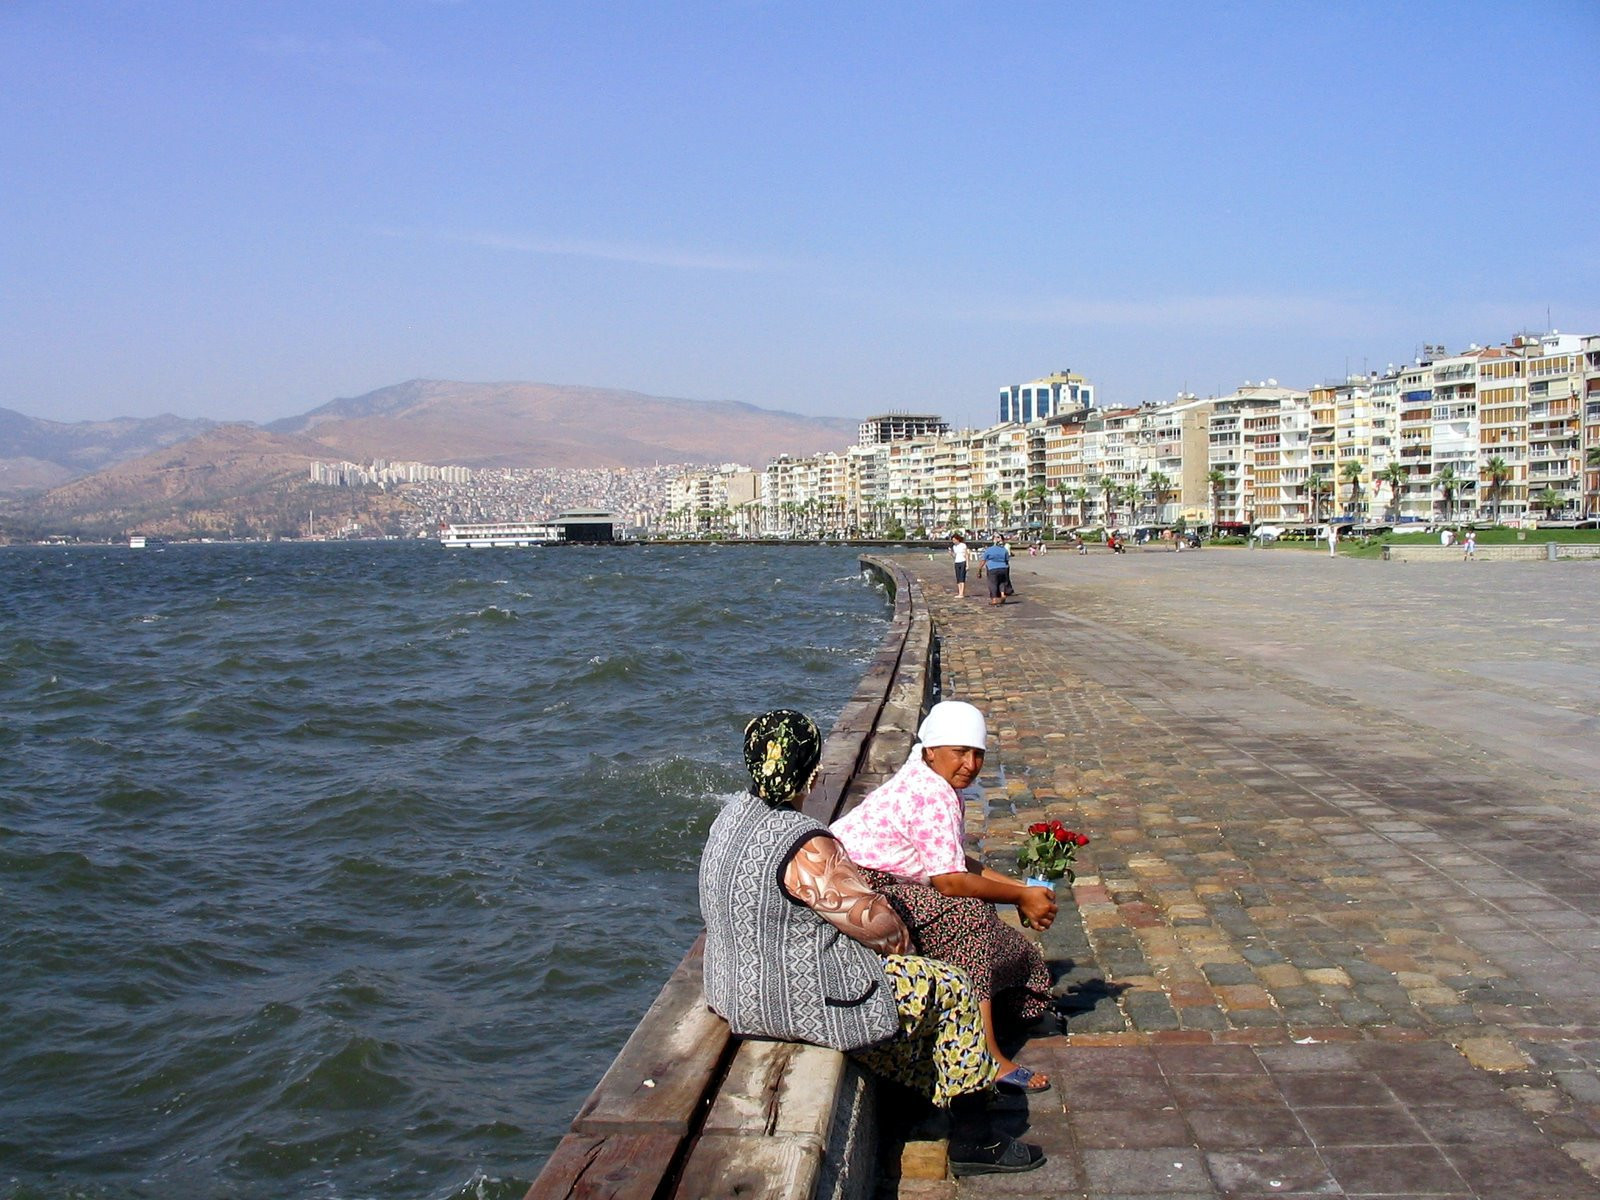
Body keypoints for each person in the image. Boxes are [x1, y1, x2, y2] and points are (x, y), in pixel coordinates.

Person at [700, 710, 1045, 1175]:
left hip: (731, 988)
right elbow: (880, 927)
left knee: (910, 982)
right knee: (950, 986)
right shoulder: (804, 843)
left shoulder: (729, 816)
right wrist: (905, 949)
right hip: (788, 998)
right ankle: (974, 1141)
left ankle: (919, 1093)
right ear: (813, 773)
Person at [832, 701, 1059, 1094]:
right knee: (968, 914)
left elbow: (953, 860)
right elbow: (951, 882)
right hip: (865, 891)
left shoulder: (927, 777)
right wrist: (1019, 898)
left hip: (873, 884)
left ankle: (999, 1009)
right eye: (960, 752)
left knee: (993, 926)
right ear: (932, 750)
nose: (970, 764)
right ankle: (985, 1056)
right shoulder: (933, 793)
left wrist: (1022, 892)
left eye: (978, 754)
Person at [977, 536, 1012, 606]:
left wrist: (979, 570)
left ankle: (994, 599)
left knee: (993, 584)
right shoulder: (1004, 550)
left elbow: (983, 560)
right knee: (1002, 582)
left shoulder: (989, 550)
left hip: (992, 568)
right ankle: (1002, 594)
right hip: (1003, 568)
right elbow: (1007, 560)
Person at [950, 533, 970, 598]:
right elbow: (955, 556)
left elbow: (966, 555)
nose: (953, 541)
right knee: (958, 577)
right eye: (952, 540)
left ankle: (962, 593)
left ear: (957, 539)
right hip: (957, 562)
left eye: (954, 540)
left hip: (963, 561)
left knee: (962, 577)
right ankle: (959, 592)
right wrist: (951, 553)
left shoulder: (963, 545)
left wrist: (967, 564)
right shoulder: (954, 547)